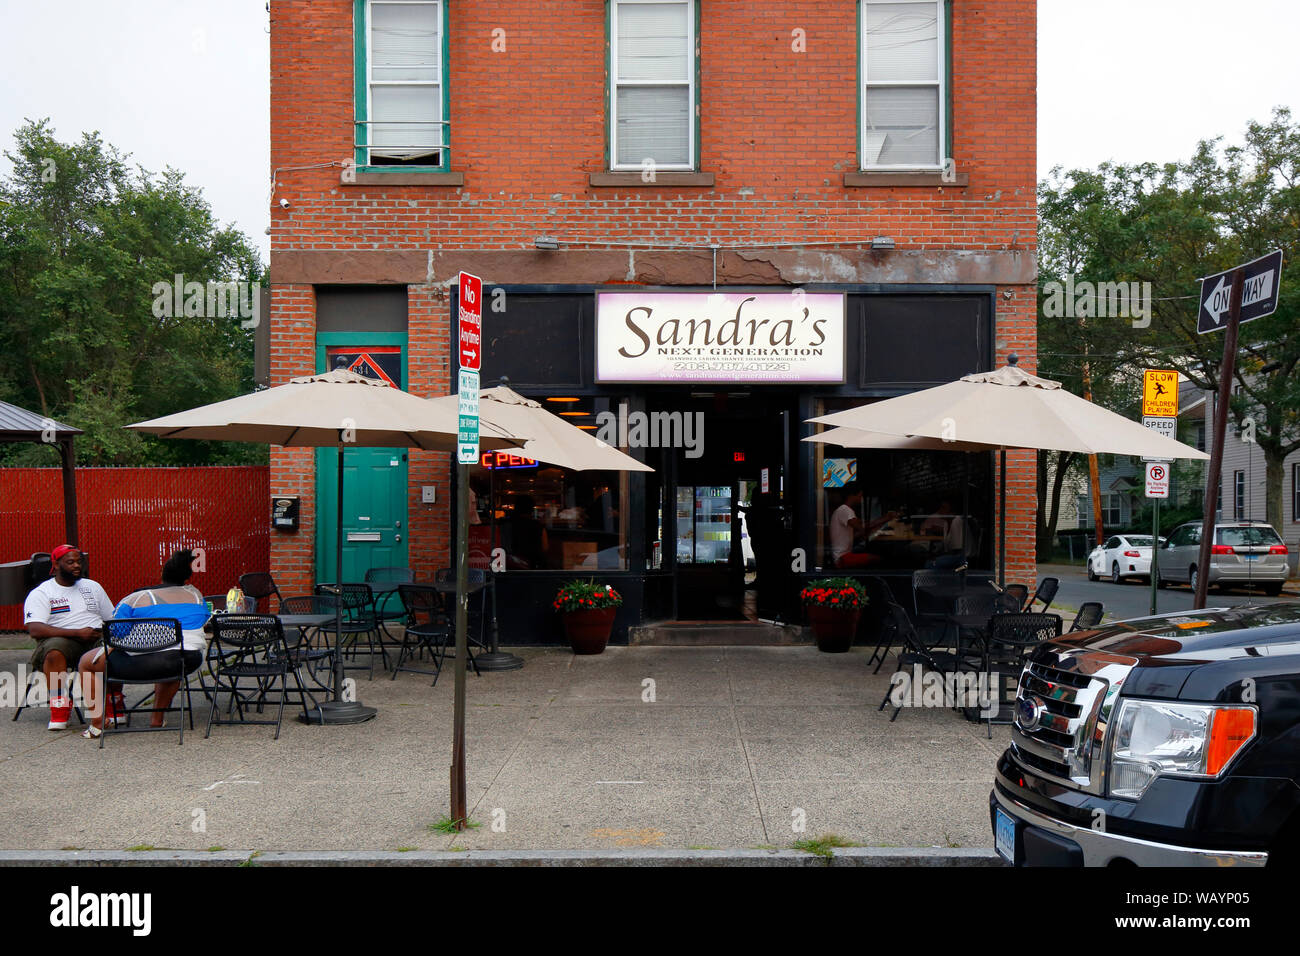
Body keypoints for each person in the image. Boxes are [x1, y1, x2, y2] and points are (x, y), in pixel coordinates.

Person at [76, 549, 210, 739]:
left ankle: (98, 722)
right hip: (186, 659)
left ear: (162, 574)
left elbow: (116, 632)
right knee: (173, 656)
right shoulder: (196, 596)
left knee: (85, 663)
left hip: (142, 664)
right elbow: (203, 619)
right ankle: (157, 718)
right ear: (186, 577)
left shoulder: (136, 598)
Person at [23, 545, 113, 731]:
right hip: (63, 641)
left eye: (79, 562)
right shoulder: (42, 592)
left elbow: (111, 619)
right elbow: (35, 629)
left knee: (113, 647)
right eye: (70, 562)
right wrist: (77, 633)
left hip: (94, 637)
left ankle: (113, 702)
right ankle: (59, 705)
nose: (76, 566)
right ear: (56, 565)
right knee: (54, 650)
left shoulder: (93, 587)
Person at [829, 484, 895, 569]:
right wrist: (886, 518)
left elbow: (860, 531)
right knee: (878, 559)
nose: (861, 498)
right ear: (853, 495)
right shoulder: (845, 510)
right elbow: (863, 528)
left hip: (842, 555)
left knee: (871, 553)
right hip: (842, 558)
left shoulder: (843, 510)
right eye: (860, 495)